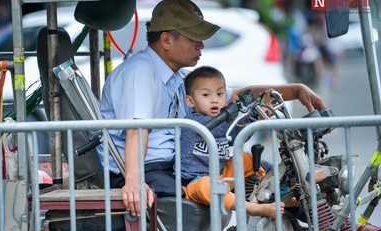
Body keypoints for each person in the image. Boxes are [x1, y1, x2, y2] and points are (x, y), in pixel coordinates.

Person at [97, 0, 326, 217]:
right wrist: (135, 182)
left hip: (174, 164)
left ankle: (334, 225)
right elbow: (137, 130)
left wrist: (295, 90)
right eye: (194, 39)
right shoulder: (141, 72)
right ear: (166, 40)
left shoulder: (178, 77)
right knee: (194, 192)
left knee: (268, 171)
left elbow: (238, 94)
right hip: (147, 169)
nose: (201, 45)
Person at [178, 65, 292, 218]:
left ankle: (270, 193)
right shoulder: (194, 122)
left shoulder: (220, 121)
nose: (214, 100)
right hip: (192, 182)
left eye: (219, 94)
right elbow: (223, 130)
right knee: (207, 186)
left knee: (246, 159)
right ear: (190, 101)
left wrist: (256, 116)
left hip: (220, 175)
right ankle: (253, 208)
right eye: (206, 95)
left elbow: (238, 136)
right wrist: (252, 117)